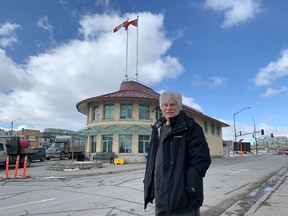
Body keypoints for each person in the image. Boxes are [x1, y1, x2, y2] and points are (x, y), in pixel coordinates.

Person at [144, 91, 211, 216]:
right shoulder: (157, 128)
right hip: (160, 197)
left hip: (183, 199)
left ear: (179, 106)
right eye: (165, 105)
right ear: (161, 107)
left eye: (172, 104)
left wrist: (189, 186)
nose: (168, 108)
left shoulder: (190, 127)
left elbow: (201, 160)